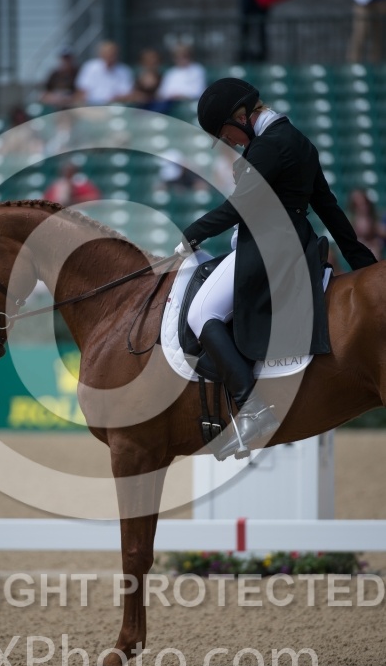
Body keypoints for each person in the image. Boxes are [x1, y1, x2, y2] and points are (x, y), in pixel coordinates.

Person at [175, 78, 377, 459]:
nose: (230, 142)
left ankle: (251, 408)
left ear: (240, 116)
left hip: (266, 251)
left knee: (201, 312)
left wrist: (191, 234)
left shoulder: (269, 147)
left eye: (226, 134)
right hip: (295, 248)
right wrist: (366, 266)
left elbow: (236, 208)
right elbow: (331, 212)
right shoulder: (298, 141)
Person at [74, 41, 133, 106]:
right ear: (101, 54)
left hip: (114, 106)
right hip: (91, 105)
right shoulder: (90, 67)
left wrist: (115, 99)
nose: (110, 56)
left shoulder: (124, 71)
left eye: (113, 54)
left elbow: (126, 93)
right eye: (107, 53)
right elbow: (82, 90)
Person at [346, 188, 386, 259]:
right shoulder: (349, 222)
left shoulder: (376, 217)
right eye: (357, 204)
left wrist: (375, 228)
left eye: (364, 203)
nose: (362, 207)